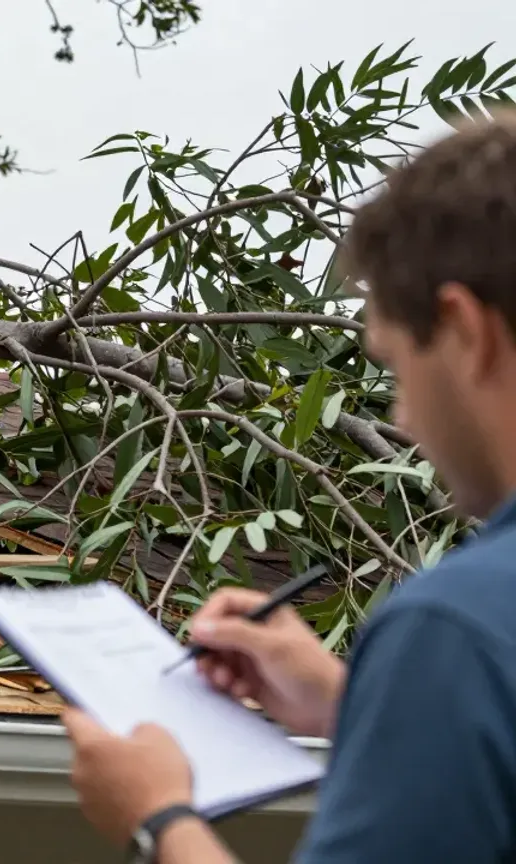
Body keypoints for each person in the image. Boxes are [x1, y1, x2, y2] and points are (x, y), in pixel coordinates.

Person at [62, 111, 516, 863]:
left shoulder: (457, 632)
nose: (401, 416)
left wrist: (157, 818)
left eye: (399, 366)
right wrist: (356, 704)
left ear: (466, 332)